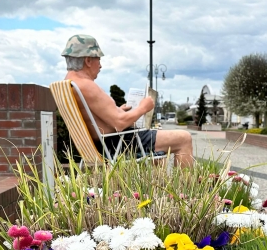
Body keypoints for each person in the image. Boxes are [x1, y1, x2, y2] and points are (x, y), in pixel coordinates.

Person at [61, 34, 193, 166]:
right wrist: (143, 107)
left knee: (159, 151)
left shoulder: (68, 83)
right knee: (184, 138)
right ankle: (185, 180)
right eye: (99, 60)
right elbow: (120, 123)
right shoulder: (86, 85)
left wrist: (118, 110)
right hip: (117, 143)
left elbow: (95, 118)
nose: (100, 66)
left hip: (102, 144)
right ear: (88, 60)